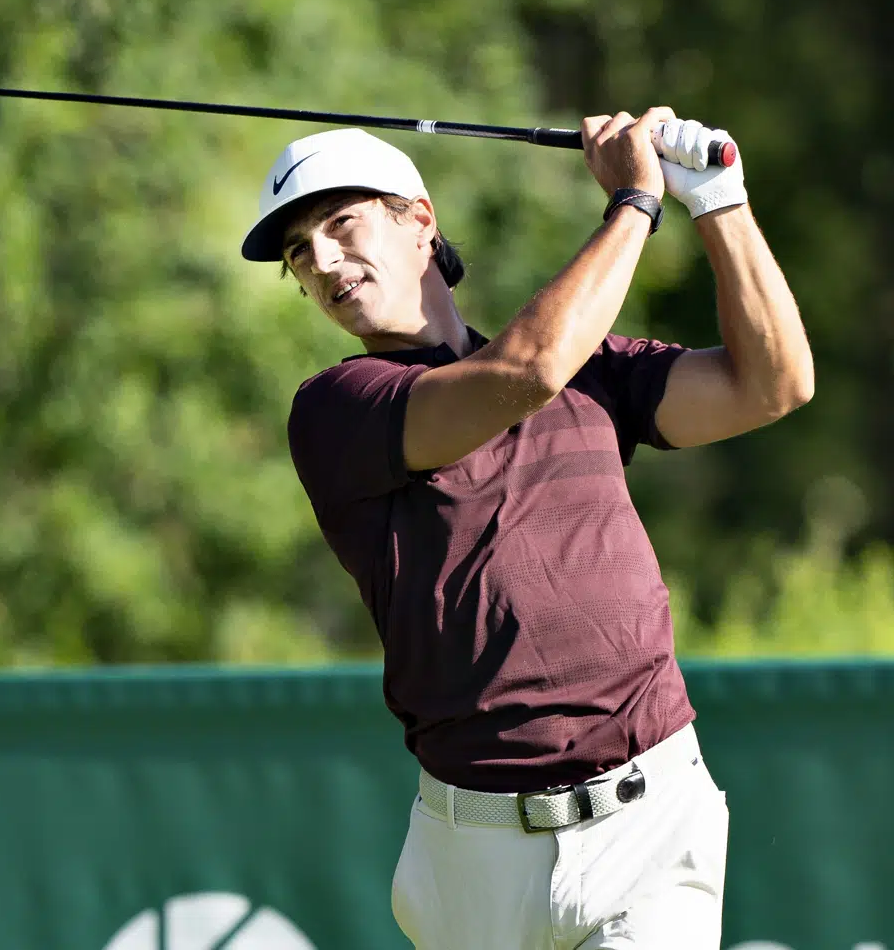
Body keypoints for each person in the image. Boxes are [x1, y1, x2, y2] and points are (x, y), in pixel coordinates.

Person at [239, 105, 813, 950]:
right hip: (471, 860)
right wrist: (634, 204)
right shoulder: (335, 409)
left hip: (646, 826)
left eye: (341, 224)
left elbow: (773, 383)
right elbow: (527, 370)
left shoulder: (600, 374)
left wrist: (719, 199)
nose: (322, 261)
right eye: (298, 252)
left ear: (420, 222)